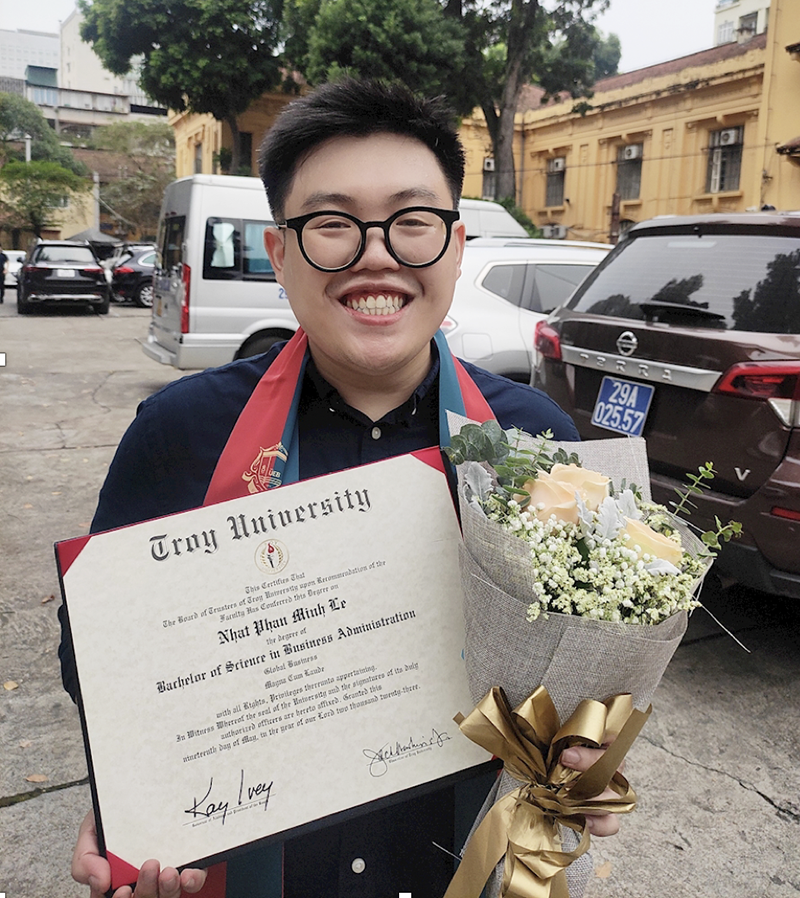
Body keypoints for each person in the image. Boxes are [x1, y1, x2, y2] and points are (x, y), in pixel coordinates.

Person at [60, 78, 620, 898]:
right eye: (332, 225)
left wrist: (589, 746)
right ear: (281, 251)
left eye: (412, 221)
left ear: (456, 245)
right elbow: (98, 650)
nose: (376, 255)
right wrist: (135, 789)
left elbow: (586, 654)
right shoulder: (179, 433)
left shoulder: (538, 443)